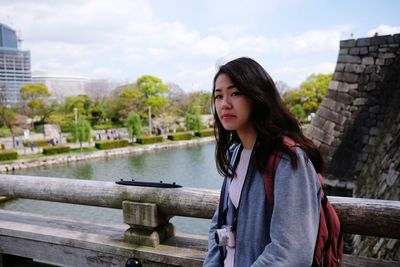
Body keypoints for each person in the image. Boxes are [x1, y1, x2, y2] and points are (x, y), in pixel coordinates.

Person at [203, 57, 323, 267]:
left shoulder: (288, 159)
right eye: (218, 96)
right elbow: (219, 223)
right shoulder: (236, 152)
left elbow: (291, 251)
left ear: (257, 96)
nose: (224, 104)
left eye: (235, 93)